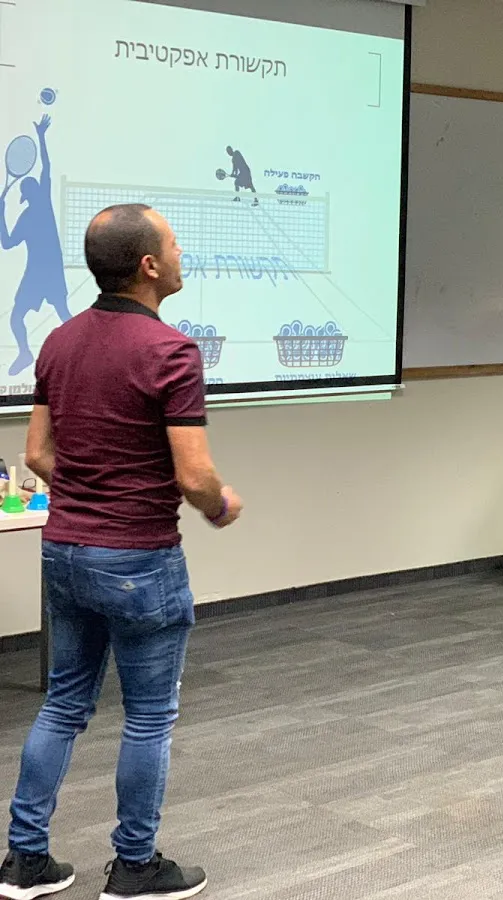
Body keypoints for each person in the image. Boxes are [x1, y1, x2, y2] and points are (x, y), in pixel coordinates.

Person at [0, 204, 243, 900]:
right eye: (175, 244)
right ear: (148, 265)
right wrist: (221, 505)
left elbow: (36, 454)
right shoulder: (172, 352)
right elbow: (194, 476)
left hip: (64, 549)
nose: (182, 253)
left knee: (63, 705)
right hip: (139, 560)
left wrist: (88, 494)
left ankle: (24, 861)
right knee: (148, 717)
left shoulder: (59, 342)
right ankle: (135, 868)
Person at [0, 115, 71, 377]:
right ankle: (25, 353)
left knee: (62, 315)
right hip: (39, 273)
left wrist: (41, 137)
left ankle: (86, 351)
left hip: (47, 272)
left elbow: (46, 166)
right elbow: (7, 243)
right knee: (21, 316)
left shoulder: (41, 205)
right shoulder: (28, 216)